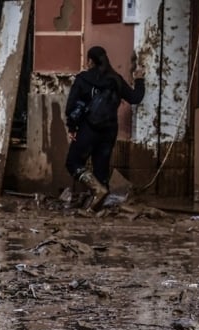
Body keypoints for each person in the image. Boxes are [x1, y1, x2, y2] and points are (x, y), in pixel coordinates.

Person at [64, 46, 145, 209]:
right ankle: (98, 206)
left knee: (73, 162)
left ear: (90, 61)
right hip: (109, 131)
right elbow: (135, 98)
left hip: (88, 129)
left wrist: (72, 128)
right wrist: (139, 80)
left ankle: (97, 189)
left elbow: (71, 107)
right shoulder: (116, 80)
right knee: (101, 169)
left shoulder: (83, 79)